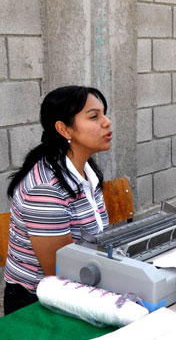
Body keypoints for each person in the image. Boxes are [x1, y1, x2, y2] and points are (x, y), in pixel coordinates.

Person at [3, 86, 112, 315]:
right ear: (64, 129)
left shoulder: (84, 170)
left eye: (104, 113)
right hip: (36, 301)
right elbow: (60, 269)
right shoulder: (46, 189)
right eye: (94, 116)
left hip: (82, 285)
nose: (107, 122)